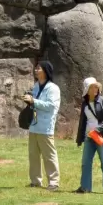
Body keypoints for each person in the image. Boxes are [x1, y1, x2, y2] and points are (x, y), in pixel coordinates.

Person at [22, 61, 61, 191]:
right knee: (33, 155)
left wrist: (34, 101)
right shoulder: (36, 86)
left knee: (49, 155)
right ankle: (35, 181)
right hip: (34, 125)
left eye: (39, 68)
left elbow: (51, 106)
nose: (36, 69)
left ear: (45, 71)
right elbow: (35, 104)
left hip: (45, 127)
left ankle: (54, 182)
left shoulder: (53, 88)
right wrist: (29, 102)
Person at [75, 77, 103, 195]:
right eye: (92, 87)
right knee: (85, 162)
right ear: (87, 89)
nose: (95, 89)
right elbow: (83, 122)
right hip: (89, 137)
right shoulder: (85, 104)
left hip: (101, 136)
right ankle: (85, 187)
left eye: (96, 87)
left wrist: (99, 128)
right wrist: (80, 138)